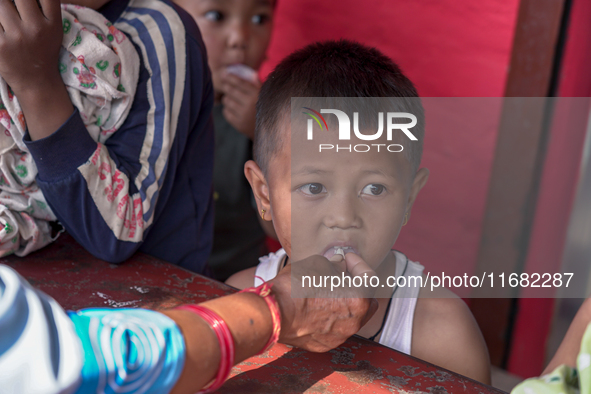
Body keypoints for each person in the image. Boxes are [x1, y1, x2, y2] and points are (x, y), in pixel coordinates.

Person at [226, 40, 492, 383]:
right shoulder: (244, 297)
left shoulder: (443, 334)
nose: (343, 216)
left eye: (374, 189)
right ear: (264, 194)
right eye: (314, 187)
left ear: (409, 198)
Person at [0, 0, 215, 273]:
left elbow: (118, 233)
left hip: (151, 303)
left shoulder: (156, 31)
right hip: (29, 293)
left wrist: (36, 81)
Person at [0, 256, 378, 394]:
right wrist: (276, 312)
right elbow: (85, 362)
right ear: (261, 191)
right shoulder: (241, 280)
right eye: (313, 187)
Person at [173, 0, 275, 280]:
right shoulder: (148, 102)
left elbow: (283, 229)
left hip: (238, 279)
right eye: (216, 16)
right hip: (159, 275)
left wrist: (265, 133)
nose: (240, 38)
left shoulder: (275, 117)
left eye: (259, 19)